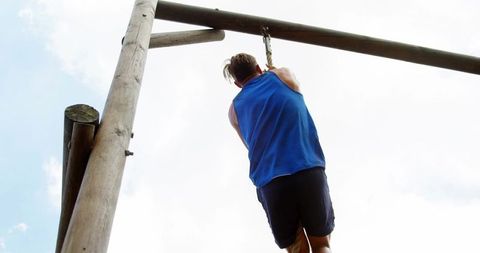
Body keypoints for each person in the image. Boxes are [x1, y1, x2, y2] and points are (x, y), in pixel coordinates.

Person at [223, 53, 335, 253]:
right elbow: (288, 82)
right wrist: (272, 71)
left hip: (272, 183)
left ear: (238, 84)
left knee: (298, 250)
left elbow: (251, 145)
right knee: (322, 245)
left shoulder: (233, 112)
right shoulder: (283, 75)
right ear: (258, 68)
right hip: (306, 169)